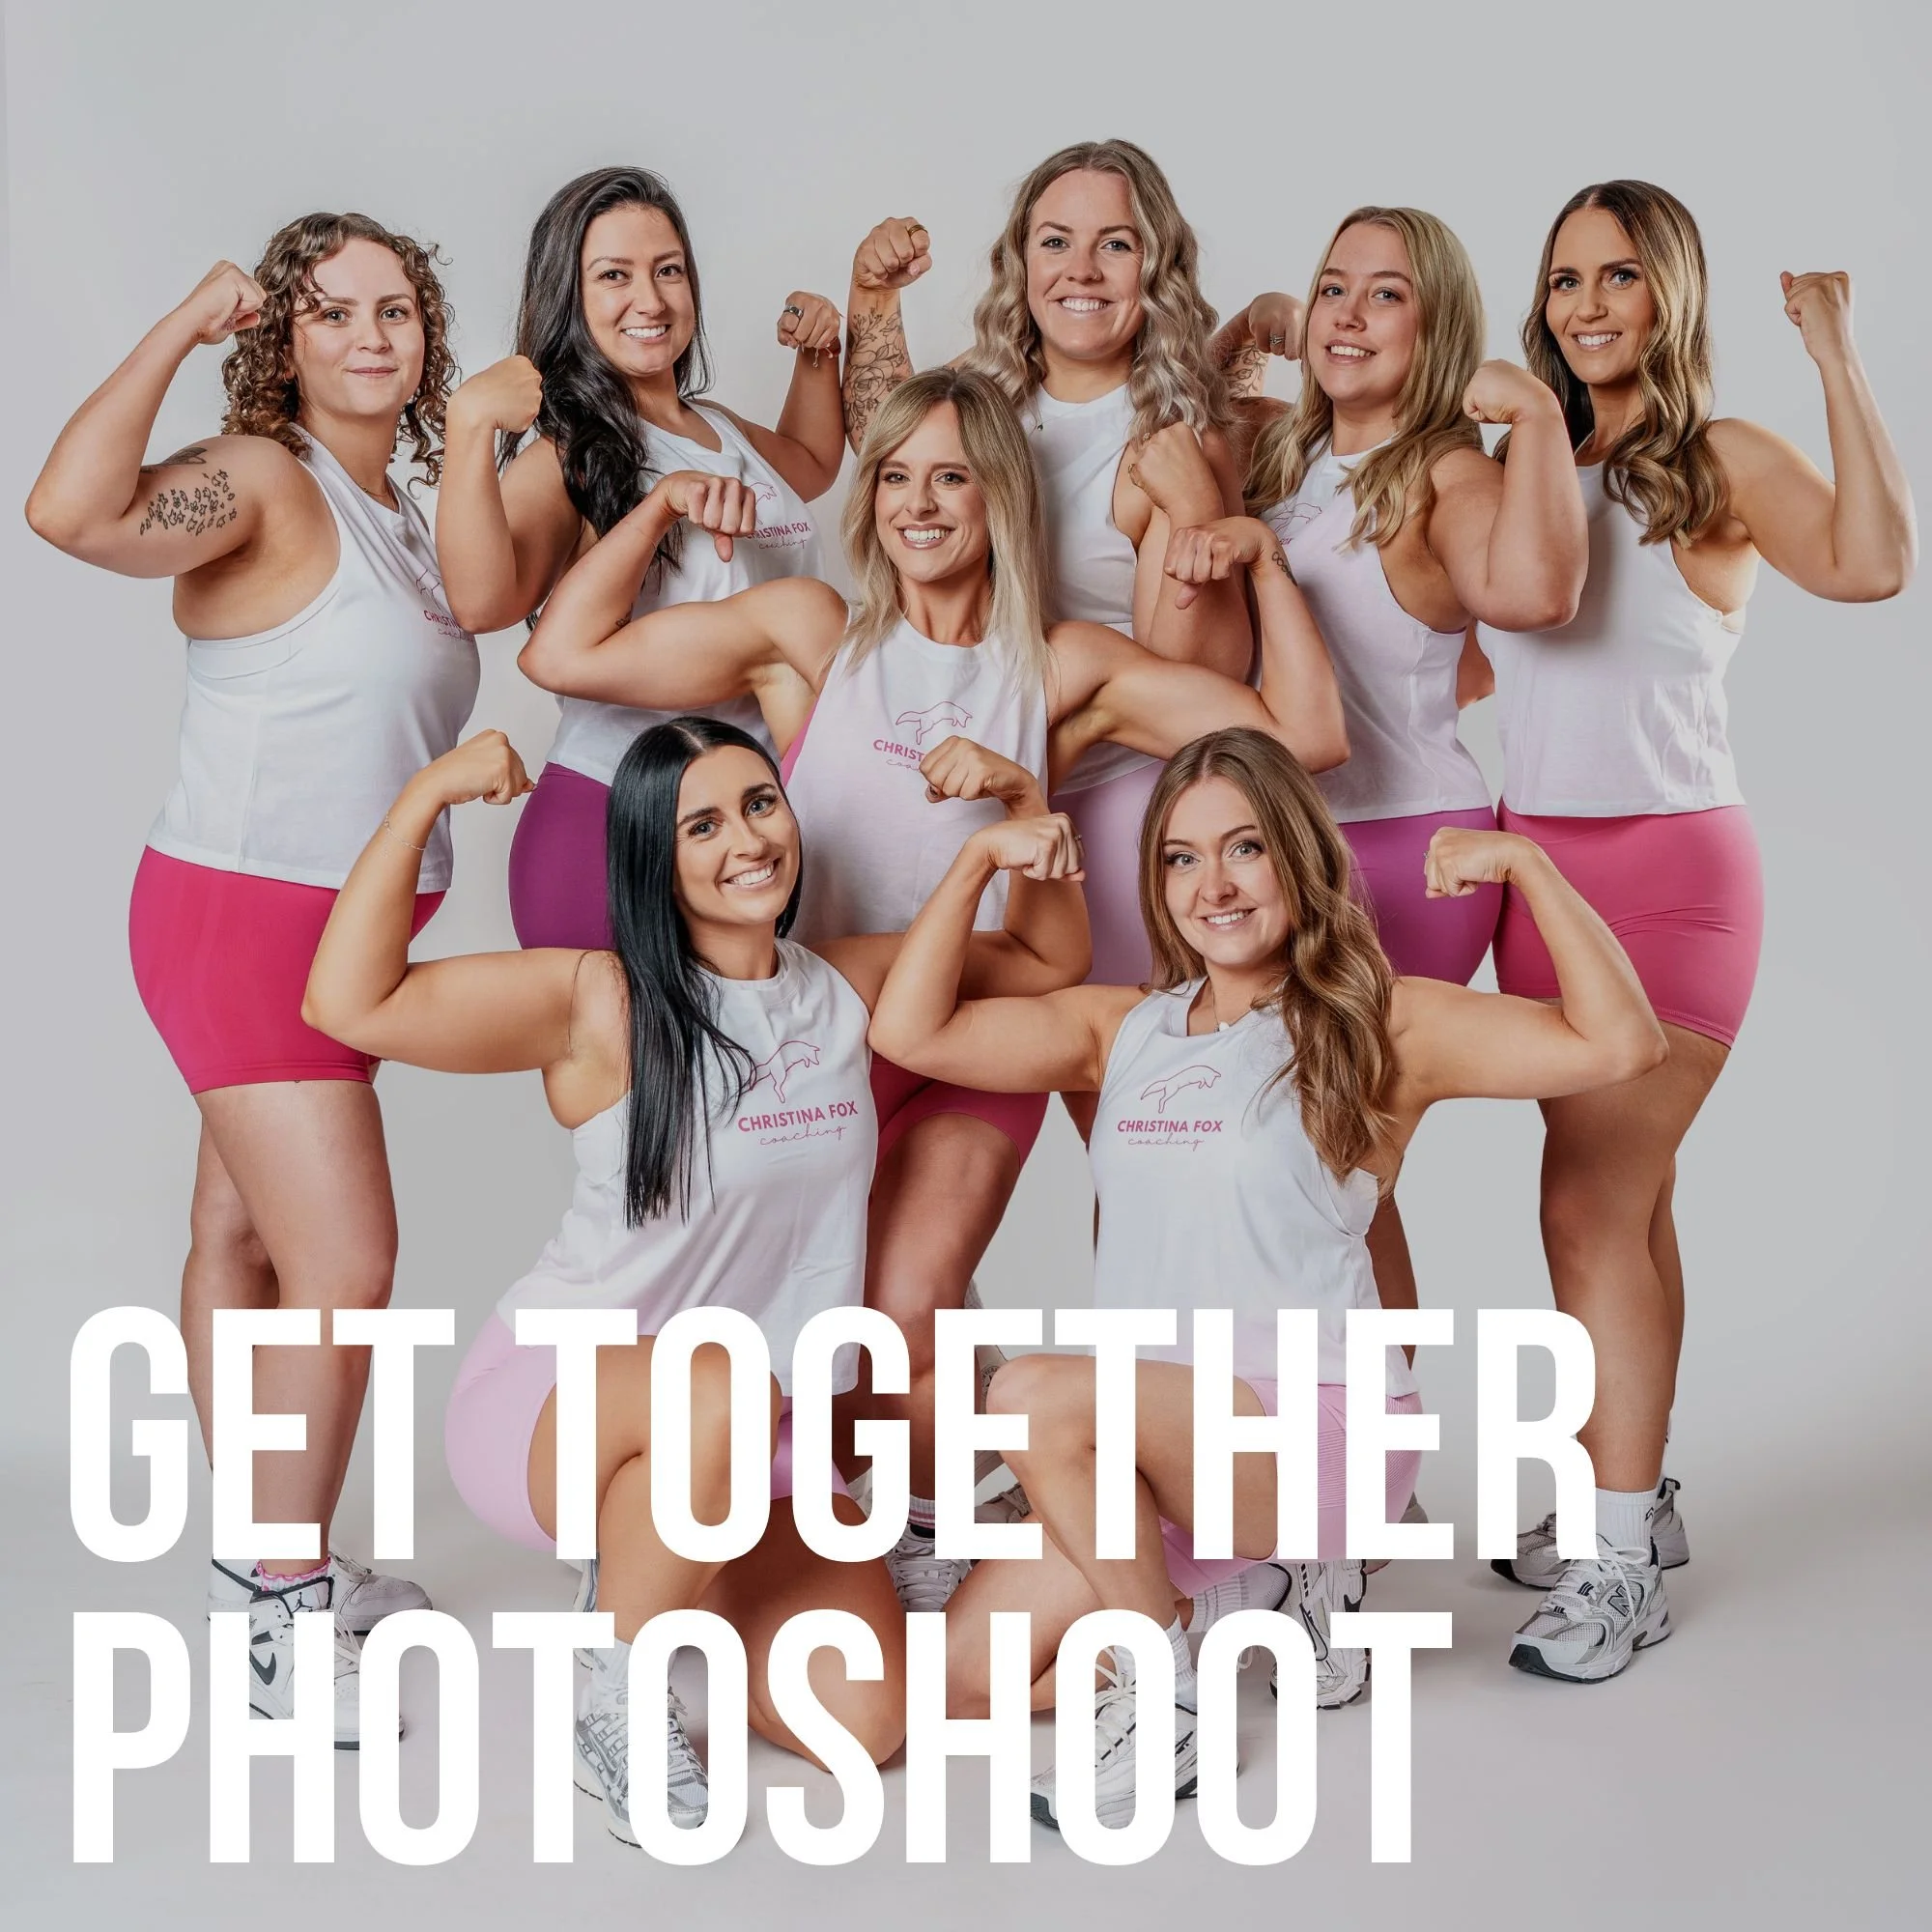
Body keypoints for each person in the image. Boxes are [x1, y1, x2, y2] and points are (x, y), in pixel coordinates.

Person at [517, 365, 1347, 1611]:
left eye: (950, 475)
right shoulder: (811, 632)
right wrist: (659, 510)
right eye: (895, 475)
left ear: (998, 497)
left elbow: (1308, 733)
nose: (918, 503)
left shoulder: (1058, 662)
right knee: (815, 1310)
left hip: (971, 1030)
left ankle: (927, 1515)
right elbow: (558, 650)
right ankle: (880, 1489)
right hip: (823, 1036)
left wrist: (1264, 565)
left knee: (900, 1302)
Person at [302, 721, 1087, 1838]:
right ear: (651, 858)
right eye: (701, 824)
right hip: (558, 1403)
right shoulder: (600, 1000)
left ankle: (652, 1559)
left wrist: (996, 832)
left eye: (759, 803)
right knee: (717, 1370)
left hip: (747, 1433)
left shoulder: (844, 988)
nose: (746, 840)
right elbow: (346, 1002)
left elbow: (1048, 962)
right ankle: (614, 1691)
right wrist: (426, 792)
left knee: (863, 1724)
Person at [867, 727, 1665, 1825]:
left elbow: (1620, 1044)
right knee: (958, 1689)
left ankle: (1170, 1697)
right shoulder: (1121, 1030)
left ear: (1296, 856)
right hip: (1152, 1455)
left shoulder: (1378, 1019)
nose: (1213, 883)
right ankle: (1252, 1601)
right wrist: (974, 865)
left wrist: (1530, 870)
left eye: (1243, 847)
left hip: (1314, 1432)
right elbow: (910, 1028)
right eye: (1180, 858)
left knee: (1026, 1392)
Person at [25, 215, 479, 1744]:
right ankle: (279, 1605)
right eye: (335, 311)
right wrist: (177, 324)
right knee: (348, 1265)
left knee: (240, 1233)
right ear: (281, 339)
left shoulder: (394, 509)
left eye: (398, 310)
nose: (372, 336)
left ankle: (267, 1563)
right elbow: (68, 513)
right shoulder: (273, 483)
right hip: (244, 917)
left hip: (334, 927)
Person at [1476, 181, 1915, 1677]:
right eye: (1563, 280)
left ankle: (1615, 1569)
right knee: (1626, 1206)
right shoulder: (1527, 453)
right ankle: (1634, 1495)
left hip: (1672, 887)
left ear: (1669, 296)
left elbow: (1872, 564)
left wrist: (1839, 354)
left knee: (1587, 1209)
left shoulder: (1711, 459)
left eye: (1618, 277)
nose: (1587, 305)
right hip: (1539, 882)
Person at [1206, 206, 1588, 1353]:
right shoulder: (1288, 452)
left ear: (1436, 331)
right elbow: (1178, 412)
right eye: (1332, 288)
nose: (1348, 314)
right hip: (1293, 846)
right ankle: (1361, 1468)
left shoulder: (1444, 474)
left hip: (1403, 849)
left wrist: (1527, 416)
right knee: (1309, 1165)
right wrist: (1241, 330)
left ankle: (1364, 1474)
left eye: (1385, 294)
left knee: (1332, 1161)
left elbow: (1533, 596)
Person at [840, 141, 1249, 1005]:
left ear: (1157, 264)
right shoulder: (978, 394)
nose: (1084, 270)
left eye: (1117, 243)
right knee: (949, 1054)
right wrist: (871, 302)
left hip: (1112, 807)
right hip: (960, 790)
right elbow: (892, 474)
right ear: (1020, 260)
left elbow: (1204, 694)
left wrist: (1198, 511)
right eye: (1056, 241)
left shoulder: (1176, 439)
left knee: (1124, 1084)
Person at [435, 165, 845, 949]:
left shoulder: (715, 422)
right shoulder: (570, 452)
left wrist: (818, 348)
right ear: (569, 294)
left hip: (740, 832)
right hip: (612, 818)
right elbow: (481, 605)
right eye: (614, 276)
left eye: (668, 271)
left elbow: (812, 461)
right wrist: (468, 426)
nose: (650, 301)